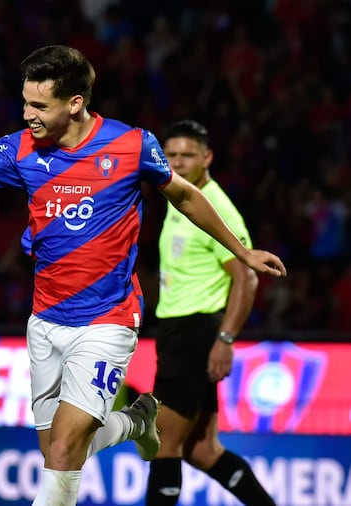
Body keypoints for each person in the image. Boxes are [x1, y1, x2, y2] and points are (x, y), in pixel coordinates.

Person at [0, 45, 286, 505]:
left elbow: (184, 197)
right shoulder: (21, 149)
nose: (27, 114)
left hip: (108, 321)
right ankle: (136, 422)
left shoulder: (131, 145)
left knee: (64, 450)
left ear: (75, 103)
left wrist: (241, 251)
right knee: (54, 451)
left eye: (39, 106)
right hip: (45, 322)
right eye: (25, 102)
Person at [145, 120, 276, 505]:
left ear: (208, 158)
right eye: (171, 155)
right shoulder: (178, 197)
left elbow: (247, 278)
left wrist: (225, 340)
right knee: (201, 449)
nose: (179, 162)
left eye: (188, 155)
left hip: (196, 333)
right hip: (180, 330)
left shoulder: (215, 208)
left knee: (163, 444)